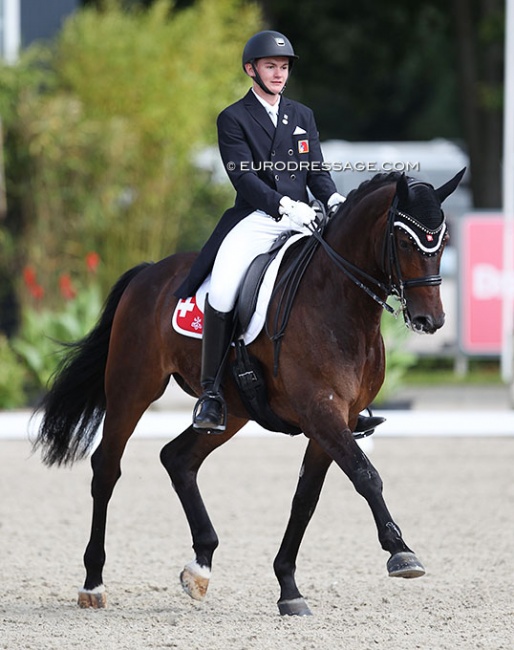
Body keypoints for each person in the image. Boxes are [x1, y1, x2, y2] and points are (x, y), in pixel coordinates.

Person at [175, 30, 383, 436]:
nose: (278, 73)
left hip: (305, 216)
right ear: (251, 69)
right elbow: (244, 180)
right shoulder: (233, 118)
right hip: (257, 218)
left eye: (283, 67)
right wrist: (284, 206)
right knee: (221, 290)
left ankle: (348, 397)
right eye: (271, 66)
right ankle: (212, 392)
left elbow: (316, 171)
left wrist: (335, 201)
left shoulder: (301, 115)